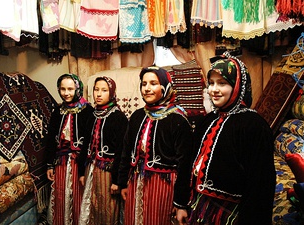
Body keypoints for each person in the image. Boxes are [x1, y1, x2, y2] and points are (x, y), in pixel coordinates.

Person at [184, 52, 276, 225]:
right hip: (200, 207)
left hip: (231, 214)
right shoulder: (208, 120)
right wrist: (182, 202)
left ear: (238, 86)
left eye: (222, 83)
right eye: (211, 83)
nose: (214, 89)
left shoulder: (254, 126)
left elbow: (261, 184)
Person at [117, 66, 193, 225]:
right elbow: (126, 150)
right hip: (136, 181)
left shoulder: (178, 120)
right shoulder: (137, 116)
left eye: (153, 83)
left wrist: (180, 203)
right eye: (144, 84)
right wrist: (123, 182)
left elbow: (185, 165)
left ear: (165, 87)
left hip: (163, 186)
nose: (147, 88)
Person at [46, 73, 94, 225]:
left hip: (79, 163)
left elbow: (90, 141)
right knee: (61, 195)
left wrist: (84, 167)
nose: (66, 93)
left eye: (70, 89)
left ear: (77, 89)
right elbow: (50, 140)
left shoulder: (87, 111)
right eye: (62, 89)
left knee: (78, 195)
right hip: (60, 162)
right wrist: (49, 164)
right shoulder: (57, 111)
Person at [79, 76, 128, 225]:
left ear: (111, 93)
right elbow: (85, 144)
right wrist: (82, 172)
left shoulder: (119, 118)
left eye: (104, 90)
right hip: (91, 170)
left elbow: (122, 151)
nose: (98, 94)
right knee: (92, 205)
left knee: (107, 208)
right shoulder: (91, 115)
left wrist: (117, 181)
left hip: (108, 173)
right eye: (96, 89)